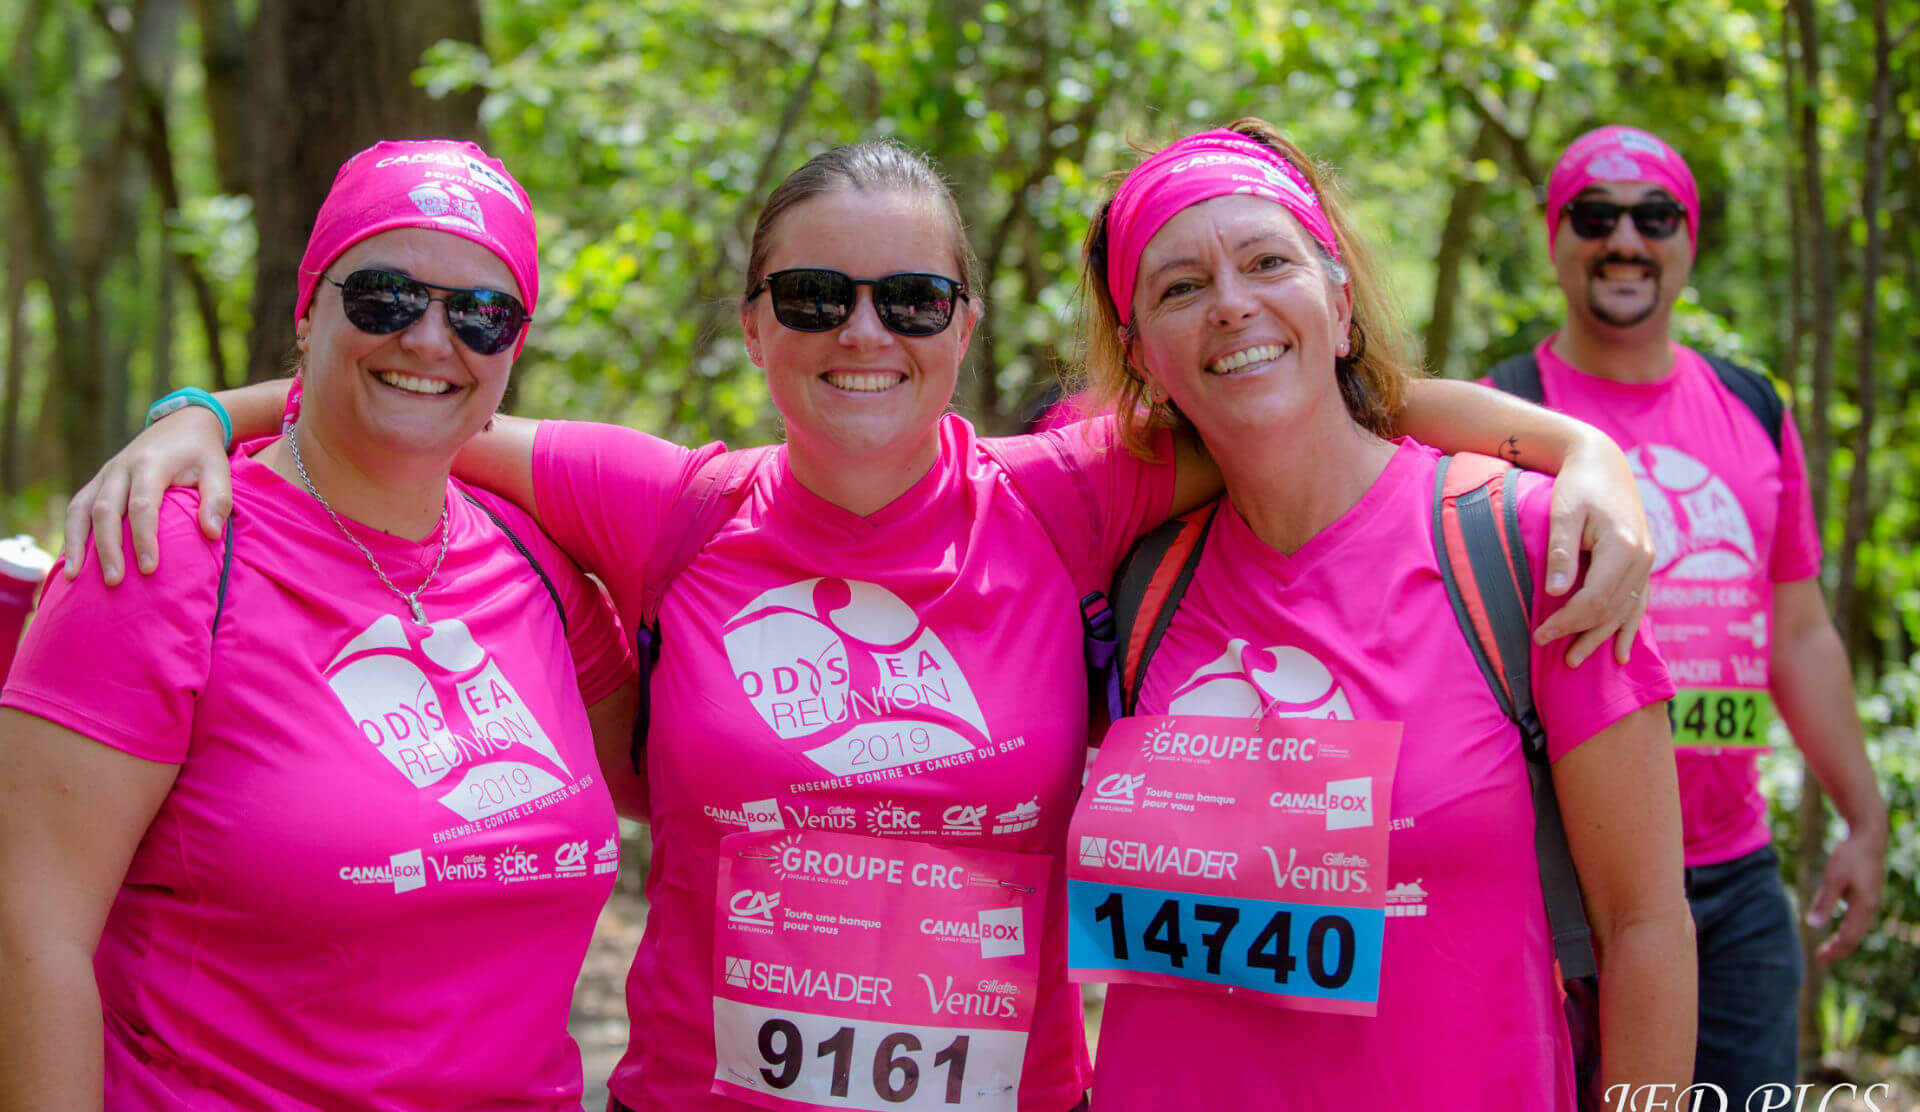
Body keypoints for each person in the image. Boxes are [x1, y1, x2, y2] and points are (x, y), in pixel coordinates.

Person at [63, 140, 1655, 1112]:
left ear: (964, 325)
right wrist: (198, 412)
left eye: (911, 301)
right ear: (757, 325)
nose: (863, 335)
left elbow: (1305, 399)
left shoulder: (1066, 496)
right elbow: (413, 392)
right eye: (816, 299)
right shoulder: (671, 505)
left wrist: (1580, 450)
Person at [0, 139, 642, 1112]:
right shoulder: (162, 551)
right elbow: (30, 929)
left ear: (513, 347)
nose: (430, 339)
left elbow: (692, 781)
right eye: (386, 297)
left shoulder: (535, 558)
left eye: (481, 313)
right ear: (307, 314)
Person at [1066, 120, 1696, 1108]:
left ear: (1339, 302)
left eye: (1268, 262)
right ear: (1141, 355)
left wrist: (1589, 450)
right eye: (1180, 287)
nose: (1231, 303)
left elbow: (1645, 924)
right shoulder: (1135, 577)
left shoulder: (1526, 546)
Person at [1481, 125, 1888, 1101]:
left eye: (1654, 217)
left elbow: (1800, 634)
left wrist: (1863, 812)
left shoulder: (1754, 406)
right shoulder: (1500, 412)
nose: (1625, 239)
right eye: (1595, 216)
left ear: (1688, 239)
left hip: (1736, 879)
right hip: (1566, 879)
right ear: (1555, 238)